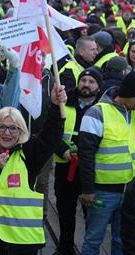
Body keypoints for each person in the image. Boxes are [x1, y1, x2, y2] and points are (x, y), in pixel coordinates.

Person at [0, 84, 67, 255]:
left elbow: (51, 136)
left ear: (20, 132)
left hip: (23, 243)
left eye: (13, 128)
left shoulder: (29, 154)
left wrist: (54, 105)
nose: (7, 133)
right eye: (2, 127)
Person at [79, 72, 135, 255]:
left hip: (130, 190)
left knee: (121, 240)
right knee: (93, 239)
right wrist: (88, 189)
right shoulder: (97, 113)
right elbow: (86, 154)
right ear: (130, 95)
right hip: (103, 192)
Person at [53, 68, 103, 255]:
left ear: (99, 86)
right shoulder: (64, 102)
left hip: (90, 170)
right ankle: (65, 248)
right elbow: (52, 131)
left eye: (91, 82)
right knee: (65, 212)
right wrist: (63, 149)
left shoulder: (103, 107)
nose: (86, 85)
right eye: (84, 80)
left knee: (91, 215)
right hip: (65, 167)